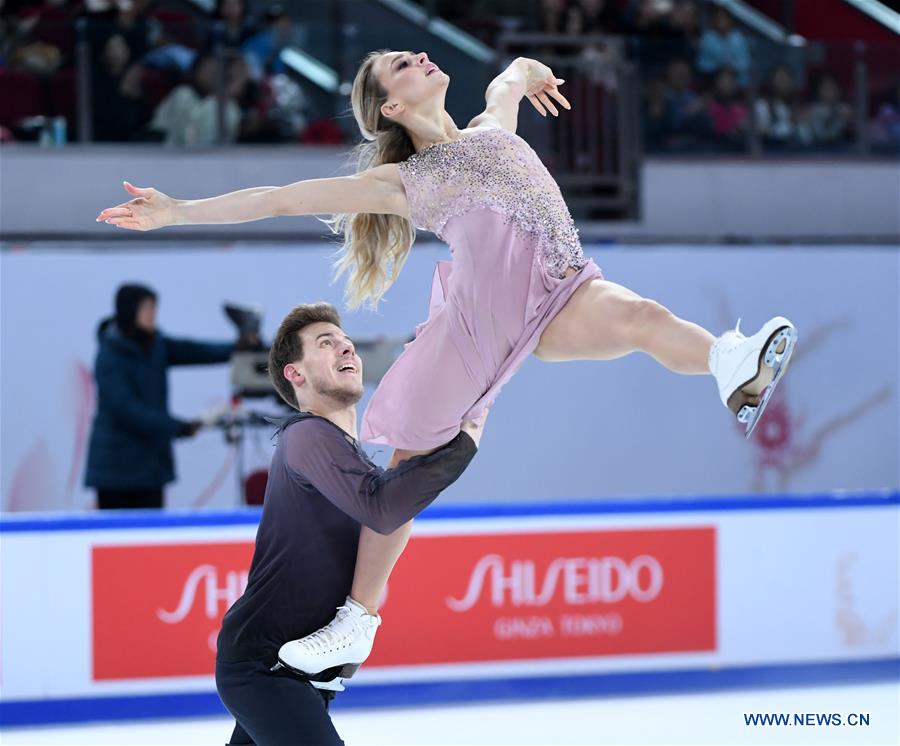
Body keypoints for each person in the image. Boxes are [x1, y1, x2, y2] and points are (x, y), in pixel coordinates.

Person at [95, 50, 797, 670]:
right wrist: (177, 210)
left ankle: (731, 364)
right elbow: (278, 199)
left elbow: (510, 78)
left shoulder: (494, 129)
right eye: (401, 65)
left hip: (561, 295)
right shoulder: (404, 181)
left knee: (645, 318)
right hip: (474, 329)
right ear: (392, 107)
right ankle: (357, 621)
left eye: (414, 53)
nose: (420, 57)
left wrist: (530, 71)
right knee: (405, 471)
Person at [215, 302, 482, 745]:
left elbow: (393, 502)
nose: (346, 348)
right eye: (326, 344)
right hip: (264, 666)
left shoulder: (345, 457)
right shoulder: (305, 436)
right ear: (295, 374)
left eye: (346, 342)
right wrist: (465, 443)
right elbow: (385, 508)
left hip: (301, 669)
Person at [84, 283, 241, 509]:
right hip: (115, 471)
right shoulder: (110, 354)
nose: (153, 314)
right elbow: (127, 410)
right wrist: (177, 427)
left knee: (151, 529)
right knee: (119, 530)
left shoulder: (155, 343)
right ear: (130, 310)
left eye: (154, 307)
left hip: (151, 467)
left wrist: (237, 348)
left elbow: (193, 351)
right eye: (147, 308)